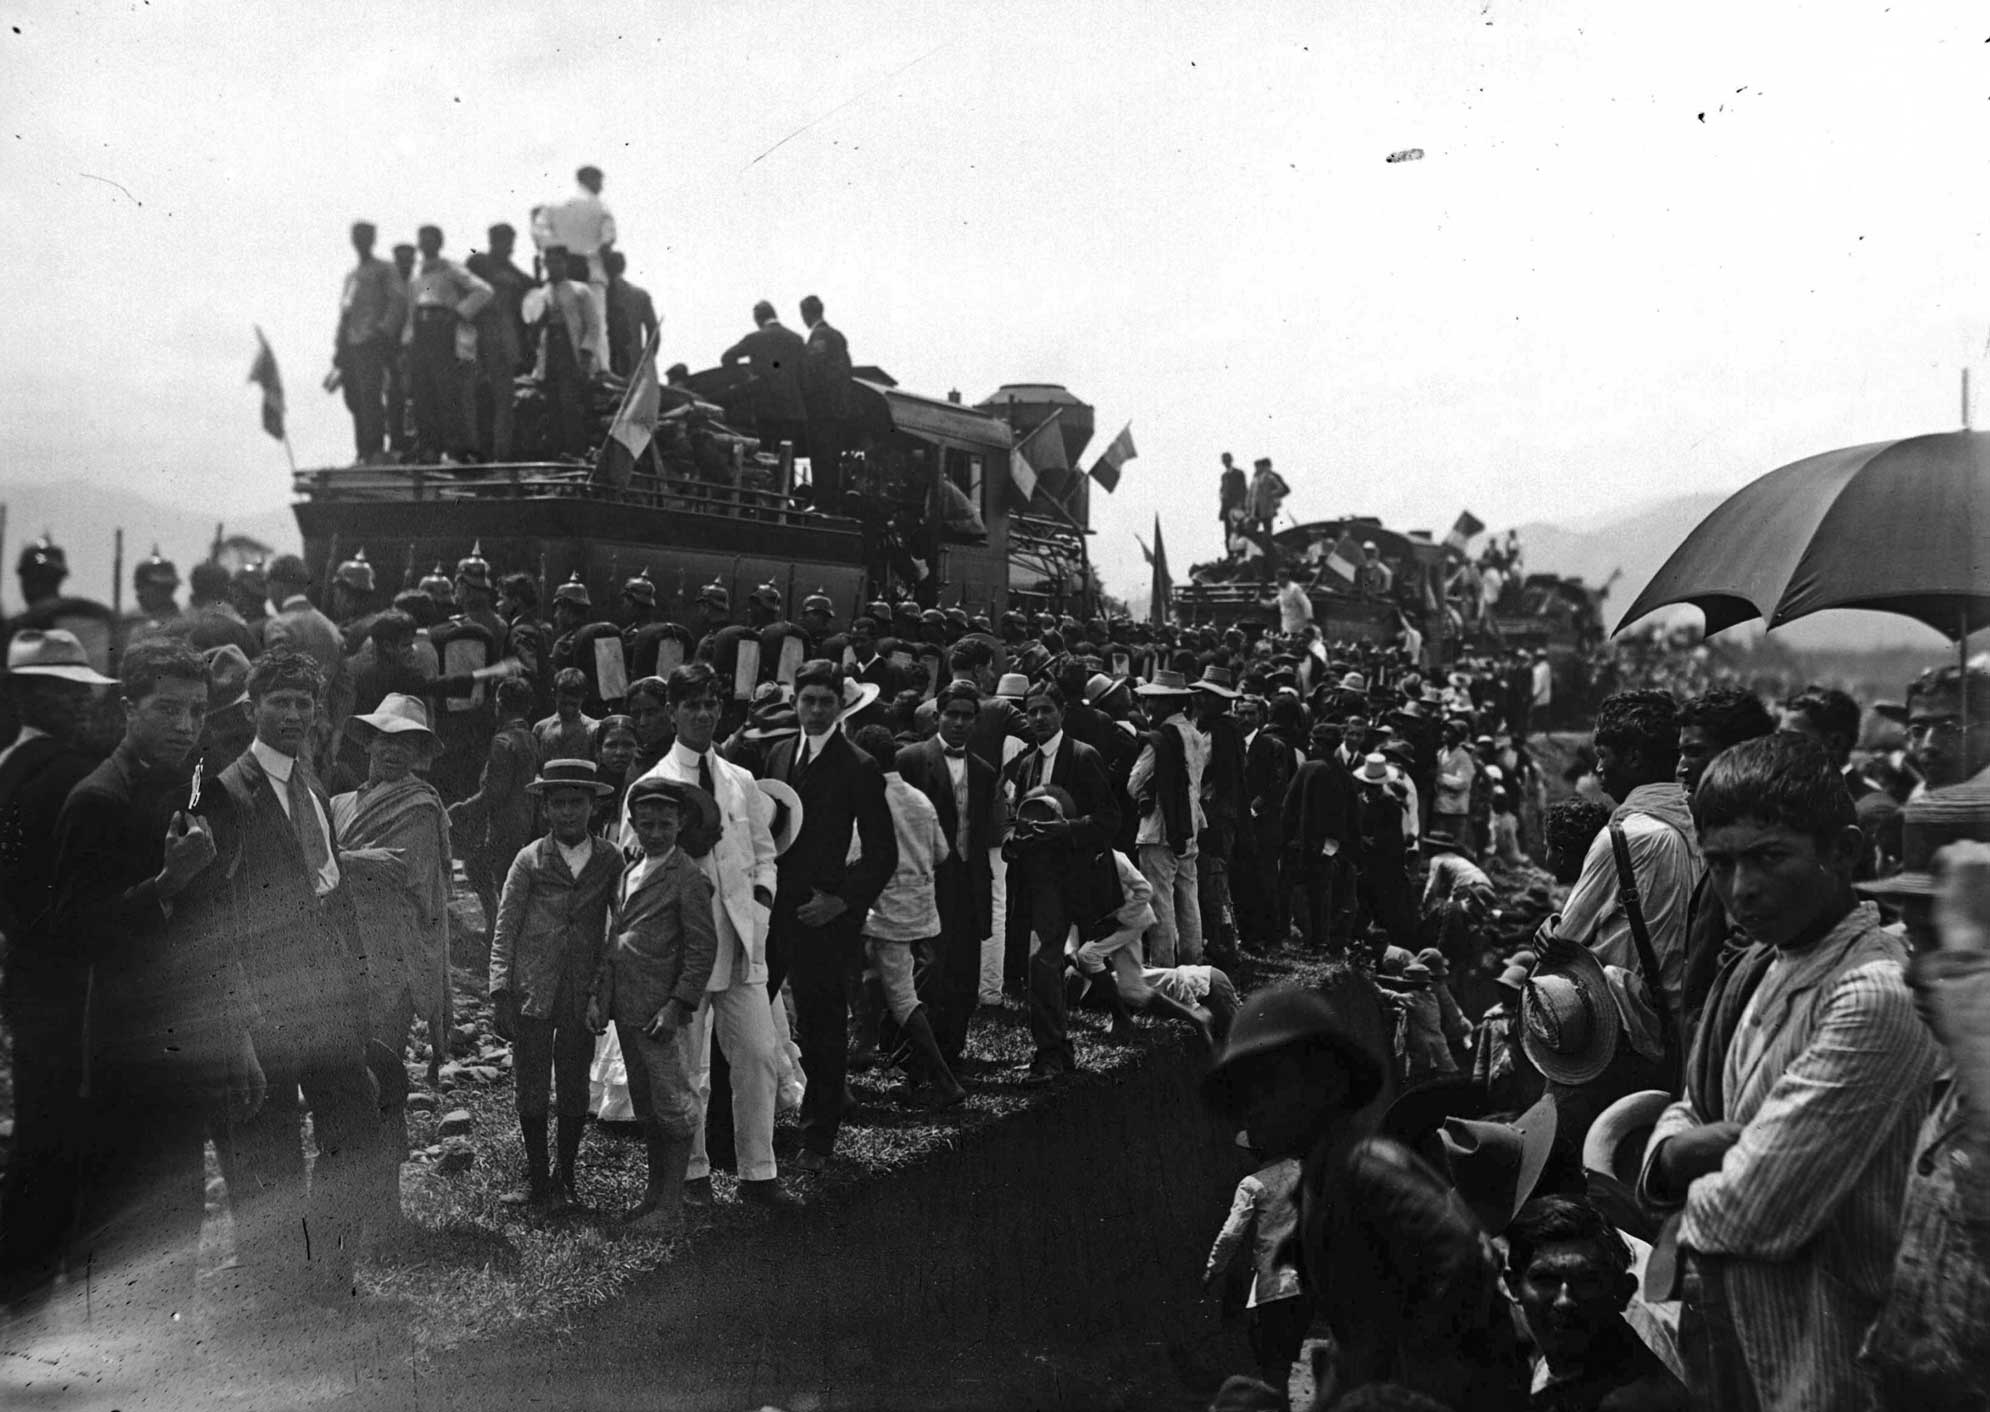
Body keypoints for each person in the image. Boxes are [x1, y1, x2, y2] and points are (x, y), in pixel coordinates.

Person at [1638, 734, 1940, 1412]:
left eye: (1769, 858)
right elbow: (1692, 1106)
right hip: (1753, 1349)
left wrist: (1679, 1176)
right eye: (1719, 864)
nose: (1741, 889)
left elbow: (1755, 1211)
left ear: (1844, 852)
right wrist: (1683, 1150)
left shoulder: (1873, 994)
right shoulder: (1772, 962)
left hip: (1833, 1365)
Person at [45, 640, 262, 1321]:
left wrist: (238, 1038)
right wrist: (165, 886)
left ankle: (161, 1367)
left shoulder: (191, 784)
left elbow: (211, 929)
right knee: (116, 1222)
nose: (183, 725)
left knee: (177, 1219)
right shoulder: (95, 801)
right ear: (128, 708)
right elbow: (72, 935)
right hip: (123, 1055)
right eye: (166, 709)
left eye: (195, 711)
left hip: (188, 1046)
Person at [1202, 986, 1528, 1409]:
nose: (1253, 1109)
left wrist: (1407, 1381)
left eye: (1268, 1087)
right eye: (1245, 1095)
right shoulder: (1323, 1180)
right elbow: (1359, 1333)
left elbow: (1460, 1261)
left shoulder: (1365, 1167)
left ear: (1327, 1085)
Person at [207, 647, 382, 1300]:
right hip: (268, 1002)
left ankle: (331, 1274)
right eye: (278, 701)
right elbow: (221, 918)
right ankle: (274, 1290)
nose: (292, 714)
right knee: (269, 1150)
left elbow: (333, 897)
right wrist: (240, 1021)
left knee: (355, 1125)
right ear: (252, 709)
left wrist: (357, 990)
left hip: (329, 996)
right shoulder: (229, 792)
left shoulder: (311, 784)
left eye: (303, 703)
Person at [625, 662, 795, 1208]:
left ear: (721, 709)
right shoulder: (653, 783)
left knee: (759, 1055)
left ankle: (759, 1173)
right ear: (671, 712)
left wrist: (762, 905)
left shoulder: (740, 780)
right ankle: (693, 1176)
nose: (701, 713)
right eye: (690, 704)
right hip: (682, 952)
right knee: (688, 1066)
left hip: (744, 940)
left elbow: (765, 855)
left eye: (710, 703)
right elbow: (636, 864)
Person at [1858, 803, 1990, 1407]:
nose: (1911, 975)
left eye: (1940, 940)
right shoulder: (1950, 1079)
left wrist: (1967, 964)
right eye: (1913, 940)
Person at [0, 631, 118, 1302]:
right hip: (73, 975)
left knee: (42, 1123)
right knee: (70, 1126)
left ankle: (27, 1278)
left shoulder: (8, 768)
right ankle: (49, 1279)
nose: (77, 701)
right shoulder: (73, 772)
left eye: (79, 690)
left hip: (31, 973)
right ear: (23, 694)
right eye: (59, 689)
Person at [759, 660, 897, 1169]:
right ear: (794, 702)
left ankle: (818, 1138)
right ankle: (735, 1132)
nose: (816, 711)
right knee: (753, 1014)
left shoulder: (858, 765)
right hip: (773, 907)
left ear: (842, 706)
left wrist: (840, 901)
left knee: (822, 1025)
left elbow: (884, 853)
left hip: (823, 911)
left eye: (826, 702)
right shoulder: (776, 754)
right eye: (807, 701)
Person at [329, 692, 453, 1233]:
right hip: (339, 959)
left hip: (391, 962)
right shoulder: (338, 803)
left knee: (384, 1080)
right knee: (344, 1086)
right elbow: (315, 868)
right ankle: (351, 1208)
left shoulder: (421, 807)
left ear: (419, 752)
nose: (395, 751)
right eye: (386, 739)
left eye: (408, 742)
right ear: (369, 742)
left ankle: (385, 1212)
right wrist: (347, 861)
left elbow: (400, 871)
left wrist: (335, 864)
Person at [585, 775, 718, 1237]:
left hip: (661, 1012)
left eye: (665, 823)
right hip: (628, 1006)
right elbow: (615, 936)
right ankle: (654, 1193)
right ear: (633, 824)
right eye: (646, 823)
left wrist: (677, 1004)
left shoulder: (688, 878)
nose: (655, 832)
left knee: (673, 1104)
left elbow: (702, 949)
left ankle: (672, 1205)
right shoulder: (628, 869)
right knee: (647, 1106)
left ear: (681, 823)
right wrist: (603, 998)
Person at [489, 758, 623, 1209]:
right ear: (545, 808)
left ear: (593, 807)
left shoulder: (608, 858)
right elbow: (505, 928)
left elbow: (618, 926)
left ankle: (565, 1175)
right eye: (559, 803)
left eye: (577, 803)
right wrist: (499, 991)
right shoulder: (529, 859)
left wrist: (603, 990)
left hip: (580, 988)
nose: (568, 812)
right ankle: (534, 1176)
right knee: (531, 1078)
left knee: (573, 1079)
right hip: (533, 985)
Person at [1549, 690, 1698, 1072]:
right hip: (1683, 1026)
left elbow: (1566, 939)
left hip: (1625, 1030)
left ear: (1633, 757)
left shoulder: (1624, 835)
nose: (1598, 769)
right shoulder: (1698, 822)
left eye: (1604, 756)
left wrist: (1548, 930)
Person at [1000, 680, 1121, 1082]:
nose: (1038, 718)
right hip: (1037, 878)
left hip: (1075, 878)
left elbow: (1109, 819)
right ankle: (1055, 1049)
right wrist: (1012, 838)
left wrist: (1065, 830)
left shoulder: (1085, 757)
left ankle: (1051, 1052)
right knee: (1043, 963)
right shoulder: (1025, 762)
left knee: (1045, 961)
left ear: (1062, 712)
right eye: (1031, 711)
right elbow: (1016, 812)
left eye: (1045, 710)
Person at [850, 725, 968, 1107]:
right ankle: (863, 1046)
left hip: (880, 912)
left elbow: (851, 860)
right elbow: (941, 854)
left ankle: (945, 1081)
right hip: (913, 910)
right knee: (873, 980)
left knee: (895, 996)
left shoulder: (867, 800)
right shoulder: (918, 799)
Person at [894, 680, 998, 1066]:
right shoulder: (910, 759)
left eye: (967, 717)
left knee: (963, 970)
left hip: (969, 882)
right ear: (937, 716)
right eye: (951, 715)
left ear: (976, 722)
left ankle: (952, 1048)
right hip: (924, 880)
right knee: (927, 968)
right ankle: (914, 1053)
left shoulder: (985, 771)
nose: (958, 723)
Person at [1505, 1195, 1690, 1410]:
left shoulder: (1635, 1401)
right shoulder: (1558, 1367)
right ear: (1514, 1286)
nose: (1564, 1300)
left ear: (1622, 1292)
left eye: (1586, 1281)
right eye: (1546, 1280)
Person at [1674, 687, 1776, 1039]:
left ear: (1735, 756)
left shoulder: (1757, 848)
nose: (1681, 769)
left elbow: (1741, 964)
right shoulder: (1725, 837)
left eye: (1695, 753)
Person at [1204, 1154, 1311, 1393]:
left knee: (1272, 1358)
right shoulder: (1305, 1171)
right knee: (1287, 1350)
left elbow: (1231, 1234)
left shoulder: (1252, 1184)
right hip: (1308, 1280)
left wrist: (1214, 1267)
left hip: (1276, 1284)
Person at [450, 677, 542, 953]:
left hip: (502, 822)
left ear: (499, 704)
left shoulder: (503, 741)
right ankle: (501, 931)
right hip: (523, 817)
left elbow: (495, 792)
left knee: (480, 870)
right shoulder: (529, 737)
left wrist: (463, 808)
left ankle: (499, 934)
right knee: (497, 875)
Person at [1127, 670, 1205, 966]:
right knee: (1187, 896)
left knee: (1160, 900)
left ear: (1166, 703)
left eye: (1152, 701)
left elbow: (1134, 783)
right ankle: (1192, 960)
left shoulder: (1158, 739)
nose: (1147, 707)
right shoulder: (1195, 734)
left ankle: (1163, 966)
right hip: (1190, 824)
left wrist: (1146, 790)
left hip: (1159, 827)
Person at [406, 225, 493, 463]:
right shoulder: (416, 277)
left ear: (439, 242)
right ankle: (429, 448)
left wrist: (458, 313)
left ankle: (455, 449)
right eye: (422, 240)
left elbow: (483, 291)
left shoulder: (450, 269)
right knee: (424, 393)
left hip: (443, 331)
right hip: (421, 333)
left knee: (447, 392)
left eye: (431, 240)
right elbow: (411, 311)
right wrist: (408, 341)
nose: (426, 244)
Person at [1284, 720, 1363, 952]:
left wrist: (1286, 838)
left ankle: (1305, 938)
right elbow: (1351, 817)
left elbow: (1289, 807)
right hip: (1330, 847)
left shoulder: (1308, 769)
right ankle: (1320, 939)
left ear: (1319, 744)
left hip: (1303, 844)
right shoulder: (1344, 775)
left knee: (1298, 892)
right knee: (1322, 893)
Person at [333, 221, 407, 464]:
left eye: (364, 236)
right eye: (356, 236)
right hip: (351, 343)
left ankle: (374, 447)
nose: (360, 240)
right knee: (355, 398)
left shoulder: (385, 269)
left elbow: (397, 301)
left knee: (370, 395)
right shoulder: (351, 276)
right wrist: (338, 346)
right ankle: (363, 449)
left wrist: (384, 331)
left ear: (372, 239)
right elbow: (344, 313)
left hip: (372, 341)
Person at [523, 245, 601, 459]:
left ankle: (576, 452)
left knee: (570, 404)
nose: (553, 266)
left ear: (565, 263)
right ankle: (557, 453)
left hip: (571, 351)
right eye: (549, 262)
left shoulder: (580, 290)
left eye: (557, 261)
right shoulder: (540, 293)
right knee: (552, 405)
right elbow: (532, 326)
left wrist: (586, 355)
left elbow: (593, 326)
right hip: (549, 353)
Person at [467, 222, 532, 463]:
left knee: (503, 399)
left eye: (510, 242)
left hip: (504, 341)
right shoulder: (478, 263)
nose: (508, 247)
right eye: (504, 241)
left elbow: (531, 286)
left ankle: (500, 453)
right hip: (476, 339)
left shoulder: (514, 272)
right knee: (472, 396)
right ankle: (473, 450)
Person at [722, 300, 808, 451]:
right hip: (792, 409)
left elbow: (727, 357)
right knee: (788, 453)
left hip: (765, 408)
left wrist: (746, 378)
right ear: (774, 315)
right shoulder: (796, 339)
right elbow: (804, 373)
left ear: (758, 319)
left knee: (765, 453)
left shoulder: (754, 338)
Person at [799, 294, 855, 499]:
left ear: (806, 314)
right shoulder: (838, 336)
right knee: (831, 459)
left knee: (820, 457)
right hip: (838, 410)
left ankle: (823, 501)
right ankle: (829, 500)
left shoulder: (819, 336)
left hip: (821, 410)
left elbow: (814, 370)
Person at [601, 249, 656, 378]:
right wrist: (643, 365)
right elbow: (654, 334)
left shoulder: (594, 295)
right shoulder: (640, 295)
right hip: (630, 370)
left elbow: (653, 333)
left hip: (612, 369)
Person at [534, 666, 600, 762]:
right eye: (563, 703)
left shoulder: (593, 730)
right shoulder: (541, 729)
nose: (568, 709)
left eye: (574, 704)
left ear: (584, 697)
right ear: (553, 694)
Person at [1433, 720, 1477, 853]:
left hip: (1456, 810)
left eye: (1450, 732)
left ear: (1459, 737)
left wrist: (1439, 778)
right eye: (1445, 731)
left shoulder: (1463, 757)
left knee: (1455, 847)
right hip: (1441, 807)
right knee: (1438, 844)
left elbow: (1462, 782)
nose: (1445, 734)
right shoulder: (1440, 753)